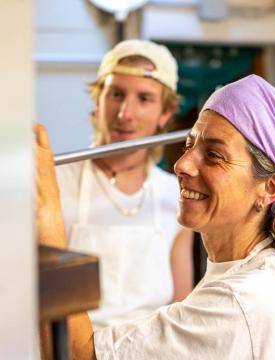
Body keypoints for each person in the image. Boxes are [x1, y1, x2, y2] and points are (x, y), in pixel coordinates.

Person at [37, 73, 275, 359]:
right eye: (190, 144)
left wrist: (48, 207)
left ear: (271, 187)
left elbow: (78, 355)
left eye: (214, 155)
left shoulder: (237, 304)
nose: (182, 164)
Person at [54, 39, 193, 329]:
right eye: (116, 94)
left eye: (144, 98)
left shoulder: (175, 195)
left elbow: (181, 309)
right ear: (98, 100)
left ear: (164, 113)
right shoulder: (54, 181)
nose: (125, 113)